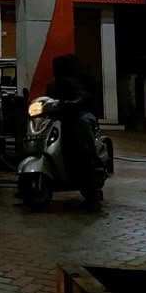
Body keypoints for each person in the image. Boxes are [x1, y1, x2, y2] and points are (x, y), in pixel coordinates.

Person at [46, 53, 102, 192]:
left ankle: (93, 166)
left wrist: (74, 103)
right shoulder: (52, 85)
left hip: (78, 114)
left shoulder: (77, 83)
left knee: (82, 131)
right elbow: (47, 100)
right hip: (61, 117)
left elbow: (81, 97)